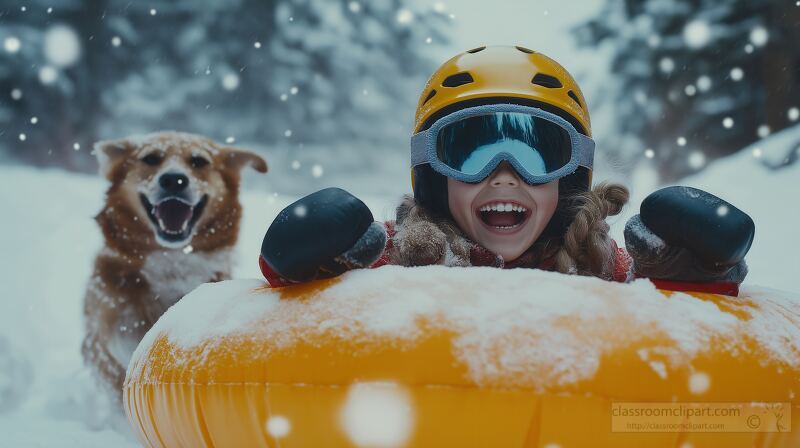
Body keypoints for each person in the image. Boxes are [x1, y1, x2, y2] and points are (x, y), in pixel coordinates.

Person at [259, 46, 754, 296]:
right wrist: (306, 257)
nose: (504, 175)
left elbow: (682, 329)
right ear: (433, 174)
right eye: (471, 153)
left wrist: (697, 270)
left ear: (571, 177)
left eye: (537, 153)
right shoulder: (389, 257)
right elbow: (291, 300)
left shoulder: (608, 269)